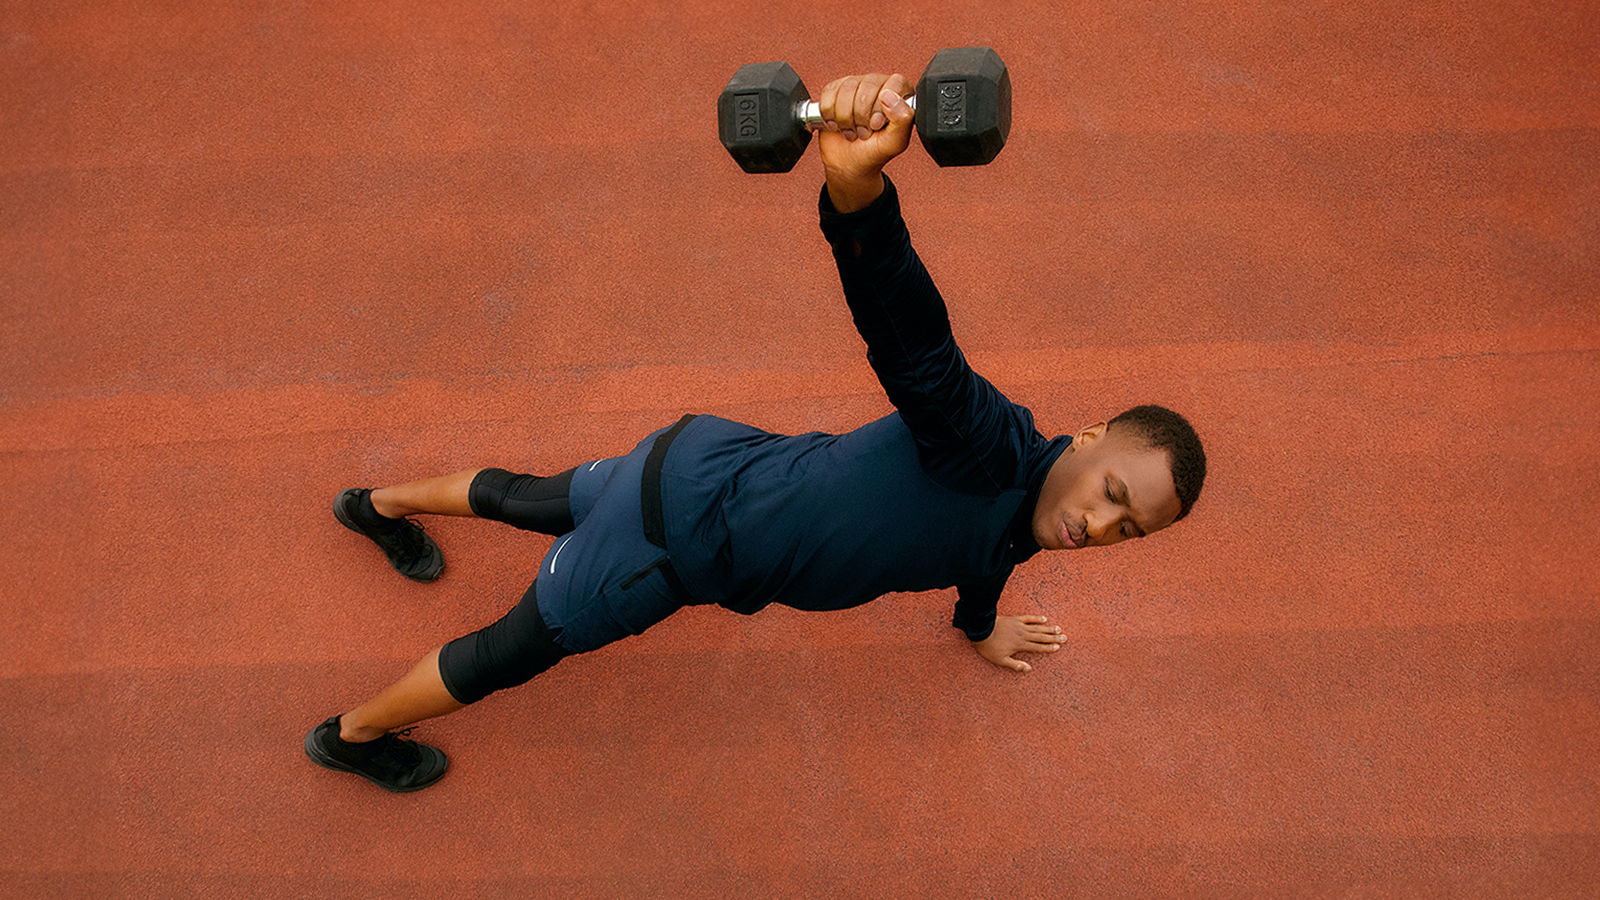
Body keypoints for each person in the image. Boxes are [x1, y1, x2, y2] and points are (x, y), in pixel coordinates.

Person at [304, 71, 1207, 792]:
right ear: (1088, 438)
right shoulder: (986, 444)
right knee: (511, 651)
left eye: (1129, 530)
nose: (1101, 525)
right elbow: (917, 349)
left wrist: (980, 626)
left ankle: (372, 504)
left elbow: (991, 552)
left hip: (701, 458)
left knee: (532, 497)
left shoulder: (1030, 507)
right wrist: (858, 193)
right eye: (1115, 495)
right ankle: (353, 737)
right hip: (679, 541)